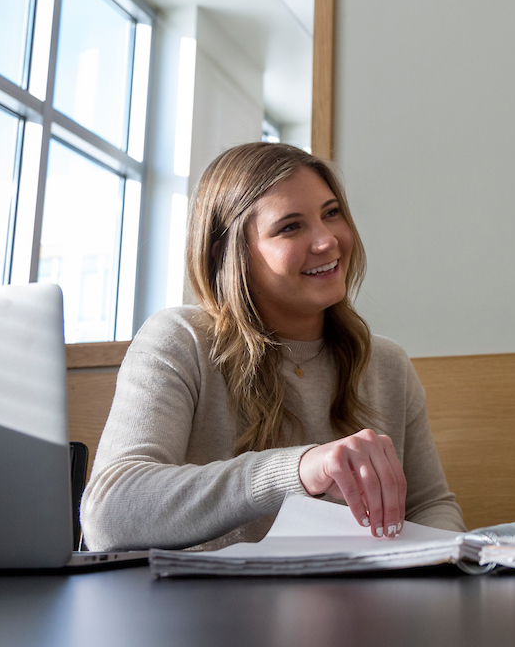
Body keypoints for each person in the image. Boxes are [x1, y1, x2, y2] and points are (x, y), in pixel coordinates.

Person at [82, 143, 464, 551]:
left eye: (331, 213)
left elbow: (431, 506)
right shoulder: (180, 339)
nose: (327, 241)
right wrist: (298, 470)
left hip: (355, 610)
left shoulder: (387, 363)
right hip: (209, 610)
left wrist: (437, 562)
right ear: (230, 254)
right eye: (290, 227)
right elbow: (107, 517)